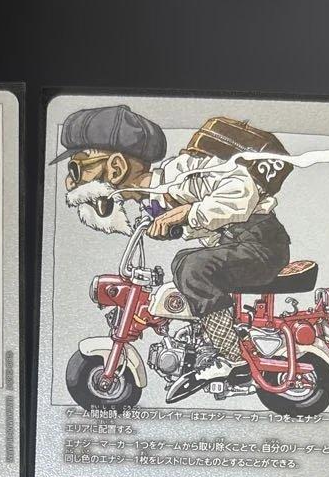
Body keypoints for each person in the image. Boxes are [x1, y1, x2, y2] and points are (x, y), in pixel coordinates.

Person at [53, 104, 292, 393]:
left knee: (193, 268)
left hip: (262, 245)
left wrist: (188, 213)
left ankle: (233, 358)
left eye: (77, 169)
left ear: (116, 167)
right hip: (237, 244)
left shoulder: (184, 172)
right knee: (181, 262)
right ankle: (204, 341)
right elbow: (187, 224)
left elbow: (242, 190)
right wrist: (173, 224)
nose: (70, 182)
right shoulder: (153, 201)